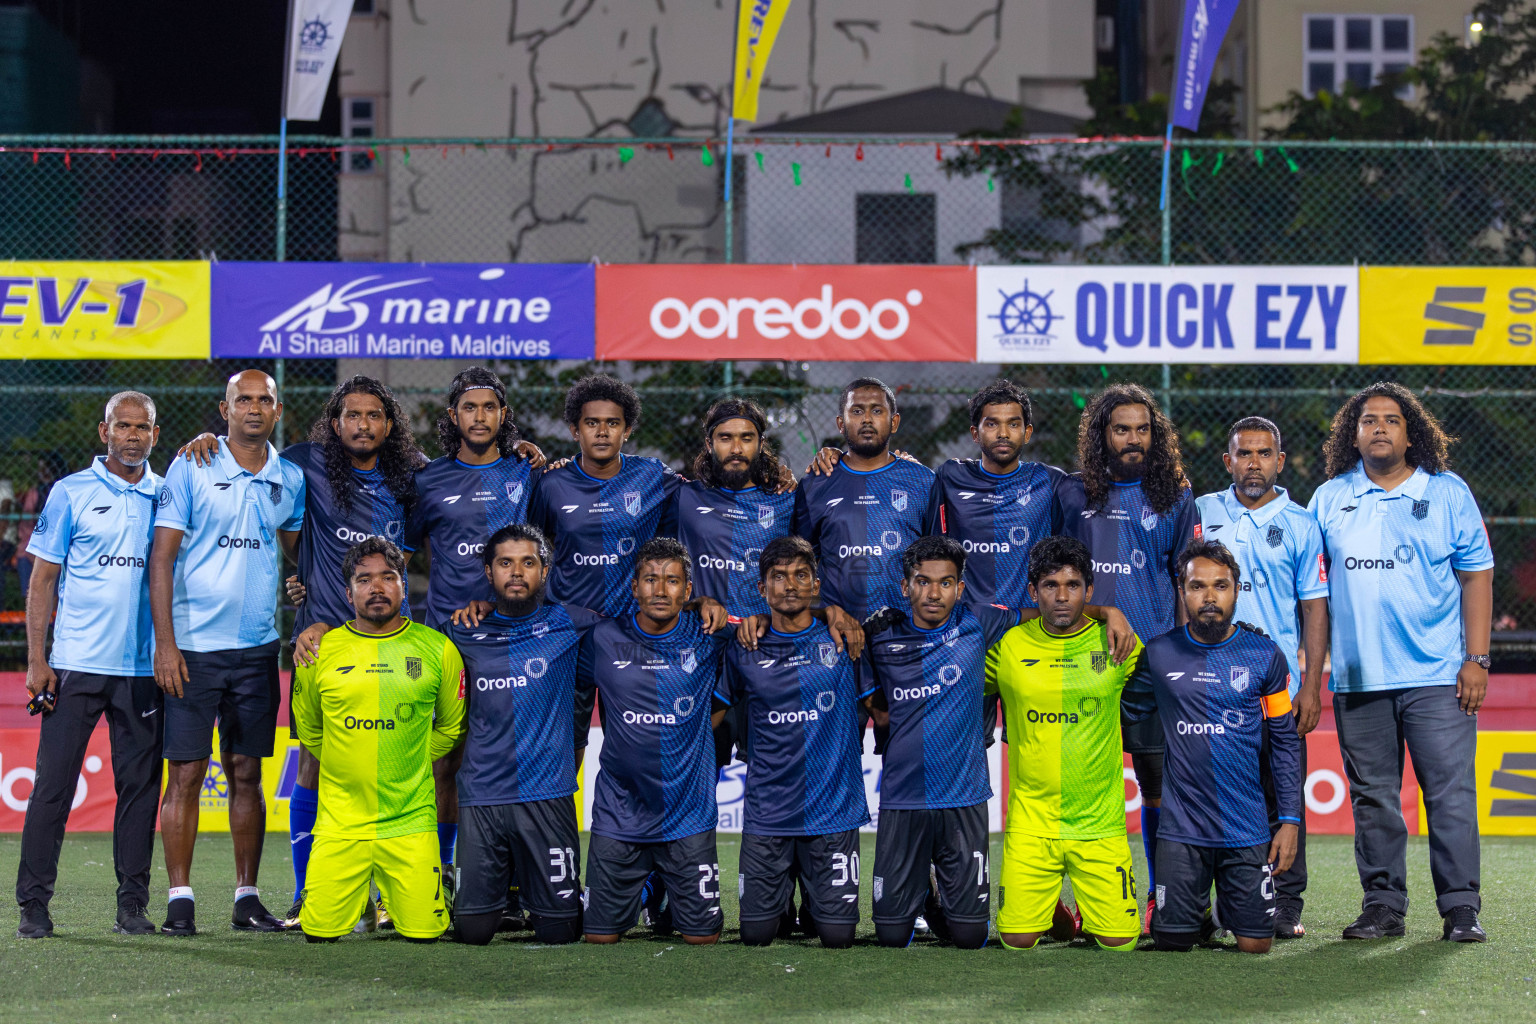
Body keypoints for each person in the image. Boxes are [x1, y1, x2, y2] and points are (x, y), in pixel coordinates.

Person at [180, 375, 428, 925]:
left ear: (389, 424)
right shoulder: (303, 463)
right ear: (334, 422)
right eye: (351, 415)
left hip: (389, 643)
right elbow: (248, 452)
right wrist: (207, 441)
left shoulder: (413, 475)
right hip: (320, 642)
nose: (362, 425)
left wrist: (524, 453)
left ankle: (386, 898)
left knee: (392, 768)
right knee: (310, 766)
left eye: (374, 415)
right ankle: (306, 893)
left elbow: (423, 544)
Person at [1308, 382, 1493, 943]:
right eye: (1369, 420)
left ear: (1412, 432)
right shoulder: (1328, 498)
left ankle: (1461, 908)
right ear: (1353, 433)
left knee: (1450, 795)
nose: (1380, 427)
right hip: (1358, 679)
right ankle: (1383, 906)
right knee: (1373, 799)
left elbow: (1477, 573)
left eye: (1392, 419)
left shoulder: (1447, 492)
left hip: (1438, 677)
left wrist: (1477, 659)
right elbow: (1310, 589)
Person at [149, 369, 305, 935]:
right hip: (192, 648)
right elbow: (161, 559)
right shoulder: (191, 464)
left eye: (265, 400)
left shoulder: (290, 478)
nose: (255, 408)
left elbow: (296, 551)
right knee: (186, 774)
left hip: (259, 649)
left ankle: (246, 898)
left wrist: (303, 581)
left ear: (278, 409)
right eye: (245, 399)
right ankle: (180, 901)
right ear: (225, 408)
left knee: (246, 773)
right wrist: (165, 645)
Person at [15, 393, 163, 939]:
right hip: (74, 665)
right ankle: (33, 906)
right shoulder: (71, 491)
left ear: (154, 433)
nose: (132, 435)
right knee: (52, 787)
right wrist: (38, 659)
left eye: (141, 427)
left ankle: (132, 906)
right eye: (122, 426)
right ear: (105, 432)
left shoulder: (166, 495)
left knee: (140, 791)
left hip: (143, 670)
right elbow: (42, 581)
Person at [406, 367, 545, 930]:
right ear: (454, 417)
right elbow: (399, 550)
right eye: (469, 408)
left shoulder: (529, 472)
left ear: (503, 415)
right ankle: (439, 878)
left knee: (510, 759)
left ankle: (509, 886)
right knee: (447, 763)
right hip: (446, 640)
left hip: (515, 637)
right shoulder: (427, 479)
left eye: (490, 407)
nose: (480, 416)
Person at [1059, 383, 1197, 930]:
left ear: (1155, 435)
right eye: (1121, 429)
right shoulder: (1070, 493)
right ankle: (1061, 900)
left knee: (1159, 783)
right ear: (1101, 434)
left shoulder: (1174, 495)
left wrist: (1186, 659)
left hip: (1153, 664)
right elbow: (1054, 574)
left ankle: (1161, 898)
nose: (1133, 438)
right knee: (1077, 786)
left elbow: (1186, 580)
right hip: (1082, 661)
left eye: (1143, 429)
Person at [1122, 540, 1302, 955]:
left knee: (1256, 945)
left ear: (1237, 589)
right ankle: (1196, 909)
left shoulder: (1265, 655)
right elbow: (1124, 709)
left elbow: (1285, 742)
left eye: (1220, 586)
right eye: (1197, 586)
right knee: (1172, 942)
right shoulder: (1160, 653)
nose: (1209, 597)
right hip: (1182, 830)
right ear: (1181, 591)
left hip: (1246, 828)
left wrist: (1290, 821)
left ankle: (1224, 912)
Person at [291, 538, 465, 943]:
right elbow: (311, 731)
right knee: (319, 934)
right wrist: (350, 757)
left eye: (389, 577)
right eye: (364, 579)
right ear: (347, 591)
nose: (377, 587)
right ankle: (358, 901)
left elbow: (452, 728)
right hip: (341, 824)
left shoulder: (437, 648)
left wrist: (411, 756)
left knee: (425, 933)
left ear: (403, 585)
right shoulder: (319, 651)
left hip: (410, 822)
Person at [1194, 416, 1329, 939]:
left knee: (1283, 797)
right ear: (1227, 461)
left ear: (1280, 460)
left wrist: (1312, 685)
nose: (1253, 462)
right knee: (1210, 793)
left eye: (1264, 453)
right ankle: (1202, 902)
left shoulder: (1301, 522)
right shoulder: (1202, 512)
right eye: (1243, 453)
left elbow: (1315, 611)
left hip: (1275, 689)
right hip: (1205, 686)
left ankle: (1286, 903)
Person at [857, 535, 1020, 949]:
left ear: (960, 588)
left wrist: (1108, 612)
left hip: (964, 798)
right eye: (922, 581)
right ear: (904, 586)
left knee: (970, 937)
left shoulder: (978, 621)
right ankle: (923, 892)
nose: (934, 592)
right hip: (903, 797)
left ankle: (938, 897)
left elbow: (1052, 614)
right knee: (892, 936)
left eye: (946, 582)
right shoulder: (879, 634)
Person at [984, 536, 1143, 952]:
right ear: (1033, 592)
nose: (1061, 596)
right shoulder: (1008, 646)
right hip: (1032, 823)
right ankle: (1046, 899)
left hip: (1099, 825)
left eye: (1073, 585)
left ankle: (1082, 899)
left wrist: (1111, 615)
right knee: (1016, 941)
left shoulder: (1119, 643)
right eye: (1049, 585)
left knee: (1119, 943)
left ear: (1088, 592)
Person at [445, 523, 601, 946]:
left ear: (545, 571)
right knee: (473, 931)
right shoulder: (458, 630)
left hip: (547, 796)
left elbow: (644, 625)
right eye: (505, 563)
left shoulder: (575, 624)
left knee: (562, 932)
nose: (517, 572)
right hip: (482, 796)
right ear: (488, 571)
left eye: (528, 562)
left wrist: (697, 603)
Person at [577, 538, 732, 944]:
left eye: (672, 581)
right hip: (619, 813)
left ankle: (653, 888)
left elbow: (772, 624)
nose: (660, 591)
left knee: (702, 939)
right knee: (599, 937)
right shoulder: (601, 637)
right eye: (650, 579)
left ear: (688, 590)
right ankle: (644, 890)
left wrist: (831, 612)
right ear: (633, 587)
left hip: (688, 815)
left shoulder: (712, 635)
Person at [717, 536, 868, 949]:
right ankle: (781, 902)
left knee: (837, 938)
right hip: (769, 814)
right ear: (762, 588)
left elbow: (884, 708)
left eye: (801, 575)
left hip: (833, 813)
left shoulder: (845, 641)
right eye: (778, 577)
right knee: (757, 935)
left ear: (816, 585)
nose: (789, 585)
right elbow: (714, 716)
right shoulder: (743, 646)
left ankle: (817, 905)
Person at [527, 375, 680, 618]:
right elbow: (529, 548)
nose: (602, 432)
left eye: (612, 423)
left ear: (627, 430)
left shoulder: (653, 475)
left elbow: (703, 494)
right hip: (567, 622)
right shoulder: (552, 483)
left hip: (629, 623)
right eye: (591, 423)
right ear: (575, 431)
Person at [794, 378, 938, 624]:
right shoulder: (815, 483)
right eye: (857, 411)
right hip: (837, 632)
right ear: (841, 423)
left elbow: (939, 560)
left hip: (904, 630)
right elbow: (798, 563)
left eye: (877, 410)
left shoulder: (924, 481)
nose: (867, 419)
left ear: (894, 422)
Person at [927, 379, 1066, 609]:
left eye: (1013, 424)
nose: (1003, 433)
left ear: (1027, 432)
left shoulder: (1051, 481)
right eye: (992, 424)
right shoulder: (950, 475)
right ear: (975, 433)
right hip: (965, 625)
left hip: (1026, 625)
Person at [16, 452, 69, 603]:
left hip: (59, 550)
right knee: (32, 594)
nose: (42, 472)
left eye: (45, 467)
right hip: (30, 549)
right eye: (40, 468)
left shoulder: (64, 490)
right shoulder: (35, 492)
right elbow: (26, 527)